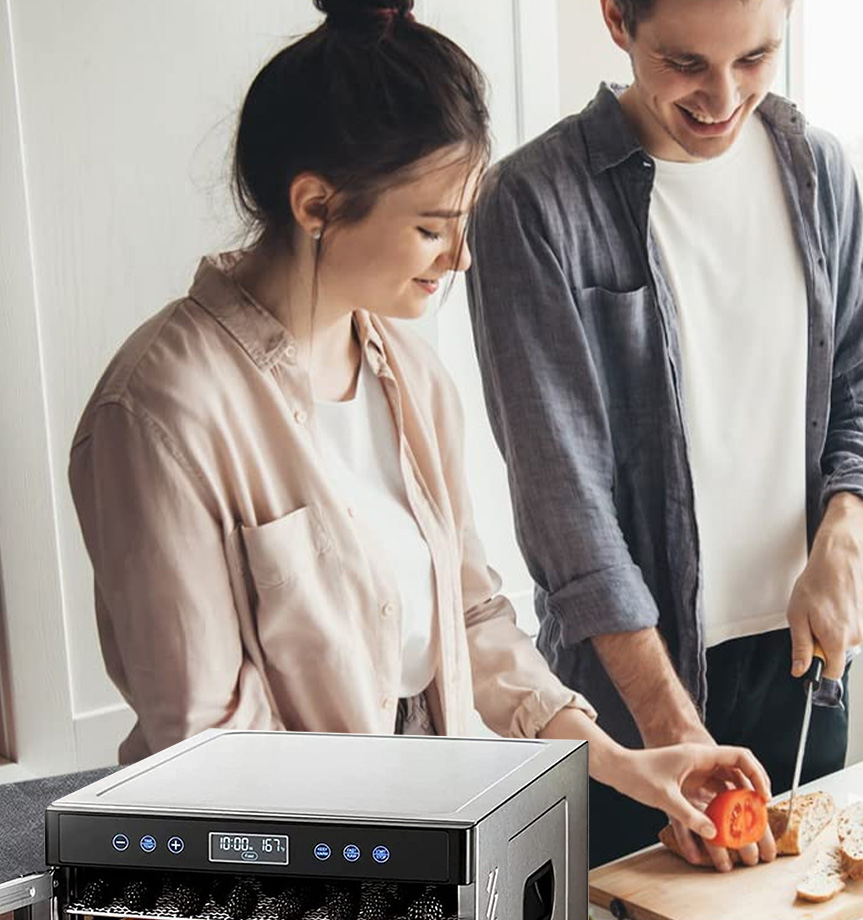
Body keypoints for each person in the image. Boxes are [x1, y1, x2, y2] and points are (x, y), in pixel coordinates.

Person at [68, 0, 770, 848]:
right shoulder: (161, 413)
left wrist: (625, 762)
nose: (460, 257)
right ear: (317, 205)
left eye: (463, 222)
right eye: (432, 227)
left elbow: (473, 625)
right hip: (280, 895)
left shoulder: (411, 375)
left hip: (439, 847)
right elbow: (208, 755)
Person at [466, 0, 863, 870]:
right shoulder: (532, 202)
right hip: (631, 699)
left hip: (803, 668)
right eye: (686, 64)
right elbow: (567, 508)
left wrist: (845, 538)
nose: (723, 95)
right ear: (618, 20)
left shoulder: (817, 169)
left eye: (755, 57)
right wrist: (673, 735)